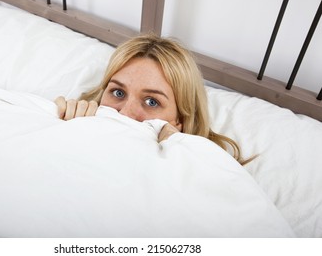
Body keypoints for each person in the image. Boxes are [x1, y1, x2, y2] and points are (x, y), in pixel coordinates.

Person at [55, 34, 252, 165]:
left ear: (179, 121)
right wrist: (58, 124)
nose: (124, 113)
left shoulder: (205, 169)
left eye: (151, 102)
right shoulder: (69, 122)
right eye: (118, 93)